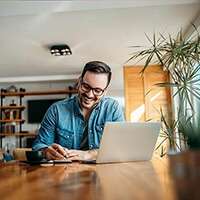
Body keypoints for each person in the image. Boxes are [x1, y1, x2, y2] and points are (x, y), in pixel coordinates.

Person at [32, 61, 124, 161]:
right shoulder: (56, 110)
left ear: (105, 91)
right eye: (86, 86)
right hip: (64, 172)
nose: (89, 95)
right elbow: (38, 145)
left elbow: (120, 147)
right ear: (79, 82)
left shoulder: (113, 108)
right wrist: (46, 151)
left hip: (102, 173)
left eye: (97, 90)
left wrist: (90, 154)